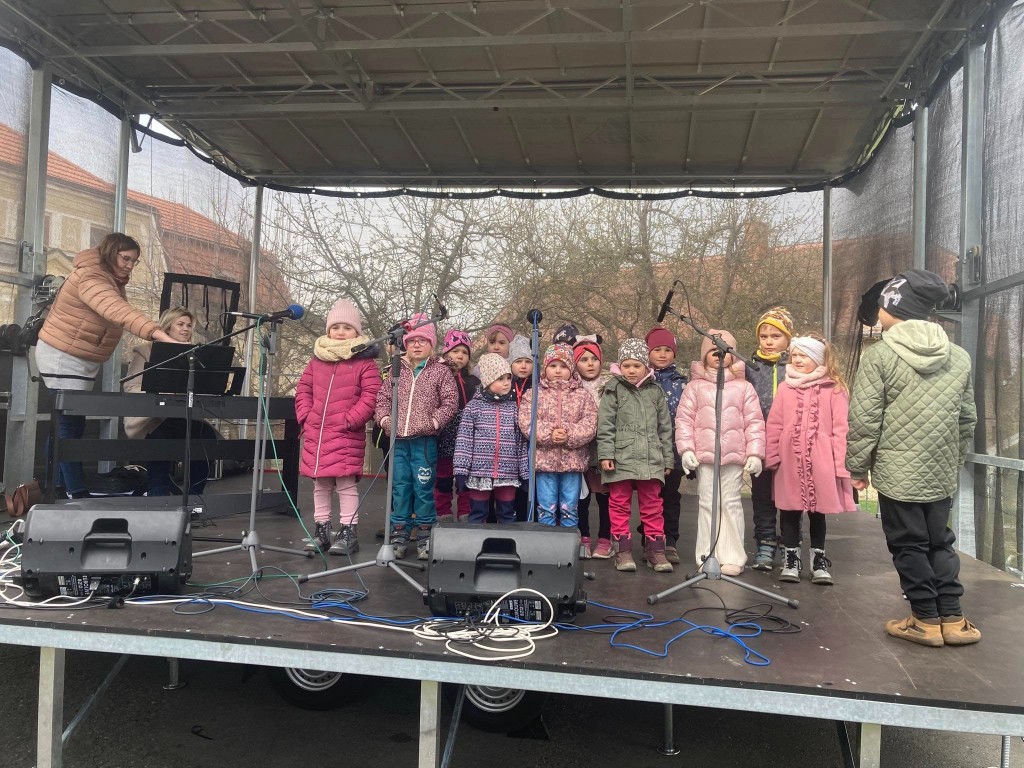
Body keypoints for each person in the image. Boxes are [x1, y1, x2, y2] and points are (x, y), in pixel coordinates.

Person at [847, 270, 980, 647]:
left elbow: (864, 419)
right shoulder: (958, 356)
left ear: (894, 307)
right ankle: (953, 619)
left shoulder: (879, 356)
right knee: (940, 542)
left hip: (897, 474)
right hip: (940, 473)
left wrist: (857, 466)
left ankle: (924, 619)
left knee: (909, 544)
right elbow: (967, 418)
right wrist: (952, 461)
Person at [35, 233, 180, 498]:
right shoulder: (92, 277)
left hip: (79, 356)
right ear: (111, 253)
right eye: (125, 258)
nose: (129, 265)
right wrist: (160, 335)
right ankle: (75, 491)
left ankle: (57, 487)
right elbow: (119, 312)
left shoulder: (108, 278)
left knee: (66, 423)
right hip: (63, 355)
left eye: (134, 261)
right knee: (68, 424)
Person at [765, 335, 856, 585]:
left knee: (818, 513)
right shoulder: (785, 388)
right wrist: (772, 456)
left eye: (803, 355)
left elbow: (842, 429)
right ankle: (791, 560)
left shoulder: (834, 389)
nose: (797, 360)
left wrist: (840, 465)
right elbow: (774, 424)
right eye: (794, 355)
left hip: (821, 460)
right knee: (789, 511)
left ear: (817, 358)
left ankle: (819, 561)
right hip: (789, 461)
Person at [294, 299, 382, 556]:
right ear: (328, 330)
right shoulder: (317, 360)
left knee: (345, 483)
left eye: (347, 327)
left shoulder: (364, 362)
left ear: (356, 331)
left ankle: (348, 532)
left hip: (345, 433)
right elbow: (303, 390)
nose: (341, 332)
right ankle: (322, 530)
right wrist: (306, 416)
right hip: (318, 432)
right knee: (320, 484)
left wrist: (350, 420)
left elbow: (371, 395)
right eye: (336, 327)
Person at [675, 330, 765, 576]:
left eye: (723, 351)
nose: (718, 355)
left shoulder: (744, 388)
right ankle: (707, 554)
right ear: (704, 355)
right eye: (712, 351)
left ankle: (733, 556)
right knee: (707, 503)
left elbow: (755, 422)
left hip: (734, 456)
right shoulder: (694, 388)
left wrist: (754, 453)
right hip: (705, 456)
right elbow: (684, 420)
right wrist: (686, 449)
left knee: (731, 503)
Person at [374, 313, 459, 559]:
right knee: (400, 487)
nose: (417, 345)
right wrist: (385, 420)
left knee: (423, 488)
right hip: (398, 440)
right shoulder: (395, 370)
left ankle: (425, 535)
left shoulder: (440, 372)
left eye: (423, 341)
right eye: (412, 341)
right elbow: (382, 399)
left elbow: (450, 402)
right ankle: (399, 533)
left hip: (424, 441)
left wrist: (434, 422)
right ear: (405, 344)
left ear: (432, 344)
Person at [123, 307, 221, 497]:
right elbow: (131, 386)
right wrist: (162, 393)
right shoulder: (145, 351)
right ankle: (157, 495)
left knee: (207, 436)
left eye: (189, 325)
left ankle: (194, 497)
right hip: (153, 419)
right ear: (167, 327)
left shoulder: (195, 354)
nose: (186, 329)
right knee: (163, 439)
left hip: (185, 416)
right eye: (180, 324)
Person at [597, 339, 674, 573]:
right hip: (621, 457)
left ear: (646, 366)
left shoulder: (655, 391)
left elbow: (665, 428)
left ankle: (656, 550)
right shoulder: (613, 389)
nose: (631, 370)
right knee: (619, 504)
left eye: (636, 366)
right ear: (620, 366)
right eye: (627, 366)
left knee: (653, 506)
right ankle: (622, 551)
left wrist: (667, 458)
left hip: (651, 459)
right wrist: (606, 454)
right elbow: (605, 425)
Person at [518, 344, 597, 527]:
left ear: (571, 369)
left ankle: (569, 539)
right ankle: (547, 541)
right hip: (544, 463)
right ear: (545, 368)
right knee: (546, 507)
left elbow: (590, 423)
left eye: (563, 366)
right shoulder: (534, 394)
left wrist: (568, 435)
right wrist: (550, 434)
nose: (558, 371)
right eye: (553, 366)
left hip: (573, 462)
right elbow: (526, 422)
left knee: (570, 508)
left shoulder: (583, 395)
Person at [746, 306, 794, 571]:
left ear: (788, 338)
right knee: (762, 495)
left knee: (790, 496)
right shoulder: (750, 367)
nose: (768, 341)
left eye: (776, 336)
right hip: (761, 442)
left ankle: (790, 545)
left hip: (790, 444)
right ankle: (765, 543)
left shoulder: (796, 367)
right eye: (763, 336)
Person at [453, 354, 528, 523]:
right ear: (487, 381)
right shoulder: (473, 407)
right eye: (500, 378)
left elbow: (521, 443)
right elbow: (464, 441)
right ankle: (475, 539)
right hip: (479, 472)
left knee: (507, 514)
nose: (507, 382)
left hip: (508, 472)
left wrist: (525, 472)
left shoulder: (513, 408)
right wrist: (461, 470)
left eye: (508, 378)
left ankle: (506, 540)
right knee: (477, 513)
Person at [644, 325, 688, 564]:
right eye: (657, 350)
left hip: (673, 450)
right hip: (646, 451)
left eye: (667, 350)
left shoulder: (682, 383)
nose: (662, 354)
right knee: (650, 497)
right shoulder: (641, 381)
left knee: (670, 497)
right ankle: (650, 539)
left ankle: (670, 540)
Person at [435, 329, 480, 523]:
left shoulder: (474, 381)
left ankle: (465, 512)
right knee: (443, 476)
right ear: (446, 353)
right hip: (446, 433)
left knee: (466, 477)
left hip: (467, 434)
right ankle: (442, 512)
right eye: (455, 351)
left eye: (464, 352)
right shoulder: (439, 376)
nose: (460, 356)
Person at [574, 334, 612, 559]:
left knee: (605, 496)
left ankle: (605, 539)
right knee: (582, 496)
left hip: (604, 450)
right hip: (579, 450)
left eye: (594, 359)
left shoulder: (610, 385)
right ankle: (584, 537)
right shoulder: (572, 387)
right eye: (584, 359)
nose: (590, 364)